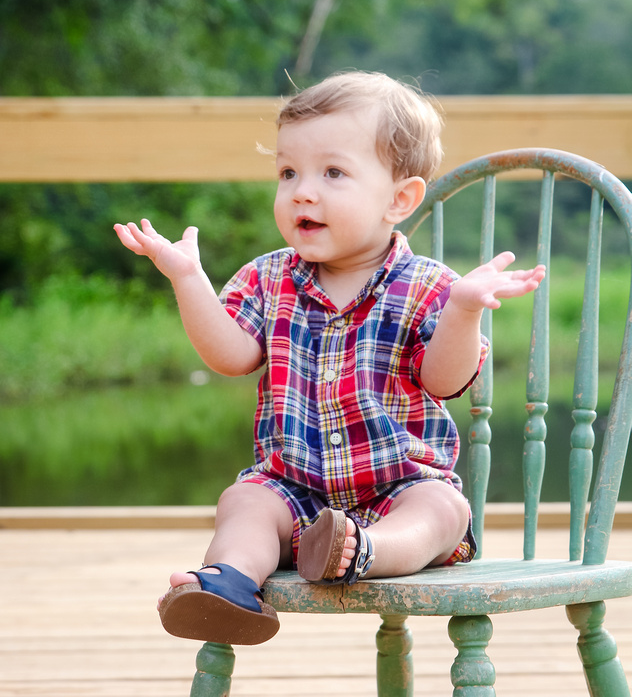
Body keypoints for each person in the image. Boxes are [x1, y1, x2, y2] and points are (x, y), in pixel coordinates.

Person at [114, 71, 545, 647]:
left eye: (332, 173)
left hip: (400, 485)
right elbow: (231, 356)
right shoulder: (268, 278)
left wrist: (464, 309)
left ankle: (364, 550)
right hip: (293, 489)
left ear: (400, 199)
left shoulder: (426, 286)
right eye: (288, 172)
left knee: (442, 511)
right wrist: (188, 278)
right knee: (244, 501)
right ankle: (230, 583)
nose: (302, 191)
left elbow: (444, 381)